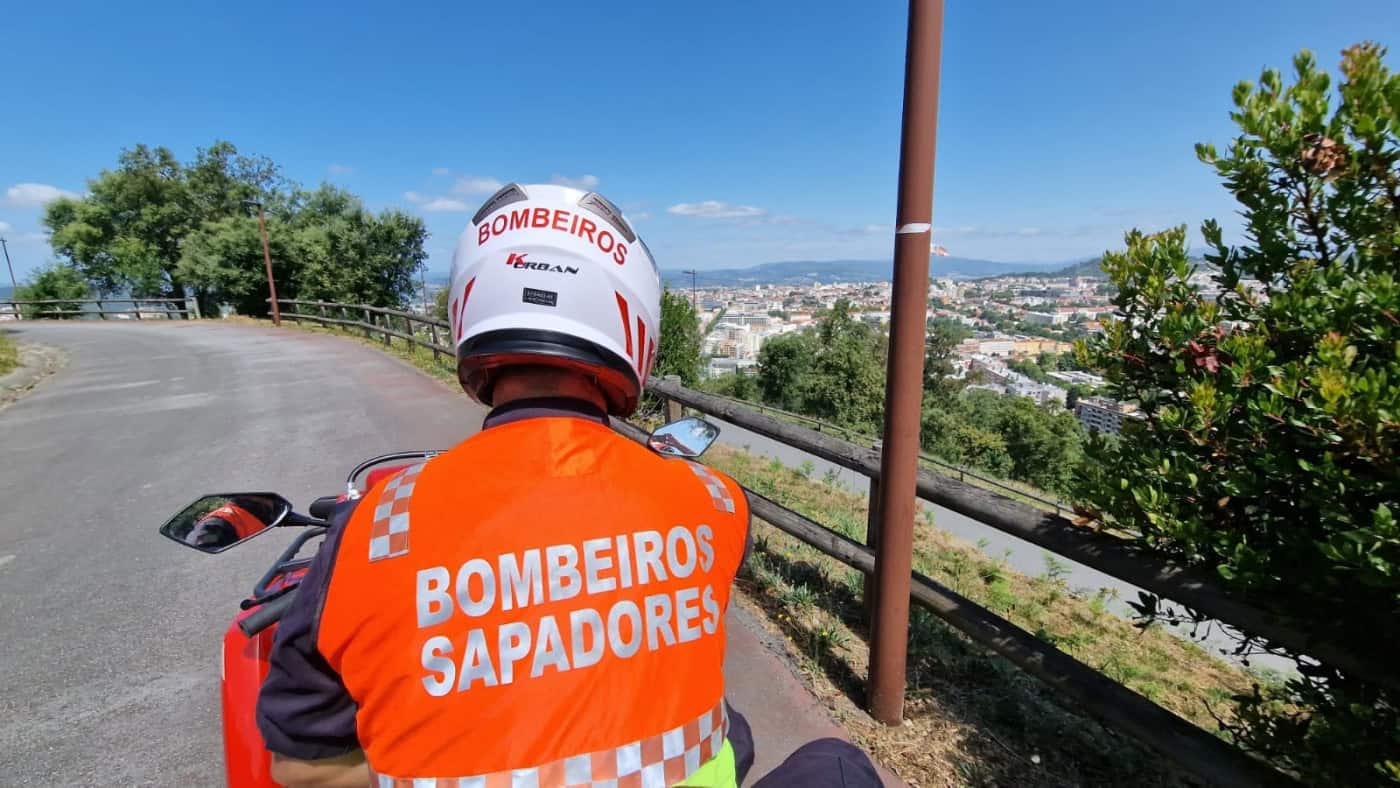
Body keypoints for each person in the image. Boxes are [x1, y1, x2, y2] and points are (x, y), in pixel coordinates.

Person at [256, 183, 753, 788]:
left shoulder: (374, 528)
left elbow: (300, 766)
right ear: (633, 324)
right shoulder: (714, 501)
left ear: (469, 309)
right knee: (820, 757)